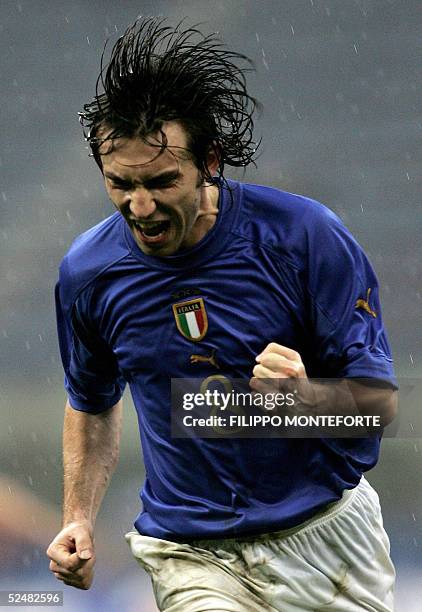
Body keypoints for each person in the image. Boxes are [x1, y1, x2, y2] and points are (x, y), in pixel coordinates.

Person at [47, 17, 398, 611]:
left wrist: (305, 401)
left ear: (209, 160)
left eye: (161, 182)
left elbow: (379, 406)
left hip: (328, 539)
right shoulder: (89, 273)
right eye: (119, 184)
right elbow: (92, 399)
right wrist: (76, 517)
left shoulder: (303, 237)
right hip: (192, 550)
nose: (140, 206)